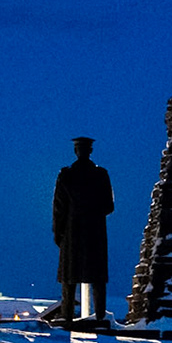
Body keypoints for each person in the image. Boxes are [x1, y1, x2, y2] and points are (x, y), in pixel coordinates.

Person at [52, 136, 114, 325]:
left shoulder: (66, 175)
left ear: (75, 151)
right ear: (90, 151)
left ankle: (67, 315)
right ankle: (100, 316)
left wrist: (58, 232)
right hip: (95, 232)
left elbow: (59, 208)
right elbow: (109, 206)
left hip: (72, 232)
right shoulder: (101, 175)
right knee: (97, 275)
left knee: (70, 276)